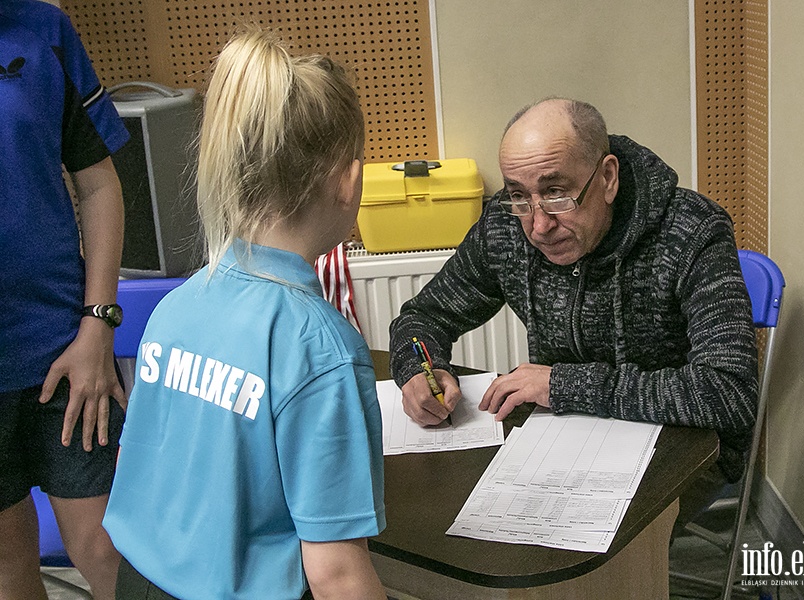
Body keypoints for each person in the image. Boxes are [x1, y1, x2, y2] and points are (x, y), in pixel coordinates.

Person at [102, 30, 386, 600]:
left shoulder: (179, 304)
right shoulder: (323, 350)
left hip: (138, 582)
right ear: (348, 181)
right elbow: (335, 573)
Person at [389, 98, 759, 523]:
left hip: (683, 447)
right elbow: (422, 319)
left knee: (581, 547)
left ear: (607, 178)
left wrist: (564, 385)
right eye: (519, 196)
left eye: (557, 193)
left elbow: (729, 394)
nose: (538, 226)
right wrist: (419, 368)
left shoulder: (691, 231)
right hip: (567, 438)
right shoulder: (507, 227)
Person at [0, 1, 129, 598]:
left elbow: (99, 183)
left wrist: (98, 326)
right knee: (7, 563)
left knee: (112, 551)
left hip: (64, 354)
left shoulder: (43, 28)